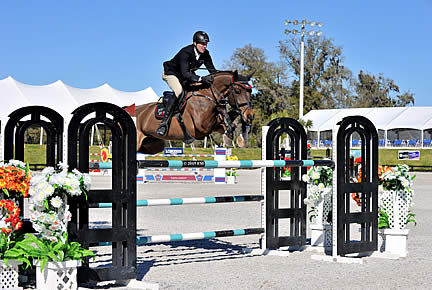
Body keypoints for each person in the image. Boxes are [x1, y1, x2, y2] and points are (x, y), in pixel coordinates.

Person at [157, 31, 218, 136]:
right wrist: (201, 78)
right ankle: (164, 124)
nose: (204, 46)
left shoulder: (205, 54)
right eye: (202, 44)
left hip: (185, 75)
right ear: (195, 43)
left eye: (206, 44)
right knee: (179, 91)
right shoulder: (186, 52)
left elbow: (213, 71)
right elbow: (185, 74)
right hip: (171, 73)